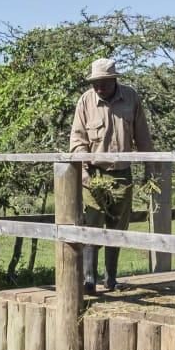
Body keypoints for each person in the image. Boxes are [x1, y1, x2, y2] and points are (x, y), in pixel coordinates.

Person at [69, 58, 155, 293]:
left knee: (117, 229)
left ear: (114, 80)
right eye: (95, 83)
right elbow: (77, 141)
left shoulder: (131, 98)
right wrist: (84, 169)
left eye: (103, 83)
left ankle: (111, 278)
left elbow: (143, 138)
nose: (99, 87)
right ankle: (89, 279)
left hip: (122, 176)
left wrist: (150, 169)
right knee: (92, 227)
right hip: (93, 175)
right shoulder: (85, 101)